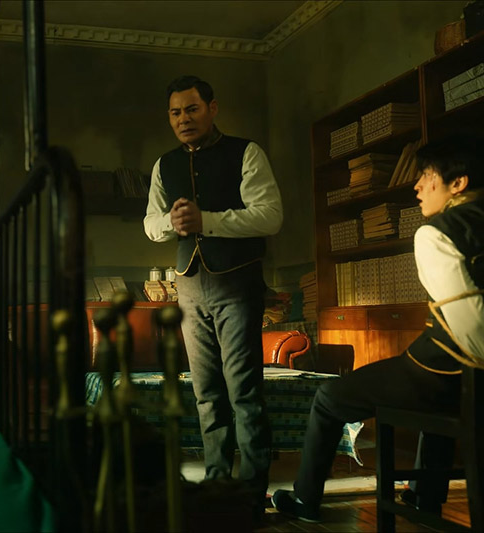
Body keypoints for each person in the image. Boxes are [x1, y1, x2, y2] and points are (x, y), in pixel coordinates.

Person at [271, 134, 484, 522]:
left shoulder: (436, 233)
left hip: (448, 375)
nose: (417, 186)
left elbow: (475, 326)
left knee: (329, 396)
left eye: (427, 175)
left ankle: (305, 501)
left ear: (459, 183)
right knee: (436, 391)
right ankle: (424, 494)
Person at [143, 75, 283, 499]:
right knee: (206, 393)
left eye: (192, 109)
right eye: (175, 112)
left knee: (244, 391)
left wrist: (208, 220)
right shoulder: (164, 164)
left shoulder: (246, 152)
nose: (183, 119)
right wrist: (172, 223)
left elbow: (270, 215)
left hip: (237, 285)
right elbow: (151, 224)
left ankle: (252, 494)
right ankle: (217, 486)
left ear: (212, 108)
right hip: (188, 288)